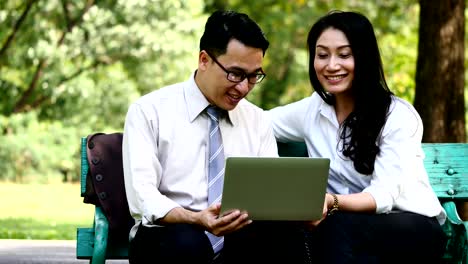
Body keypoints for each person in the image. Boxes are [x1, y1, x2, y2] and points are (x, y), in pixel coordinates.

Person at [122, 10, 307, 264]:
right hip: (168, 236)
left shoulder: (257, 120)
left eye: (254, 76)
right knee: (188, 242)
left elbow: (268, 197)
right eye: (236, 74)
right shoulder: (149, 112)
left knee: (285, 236)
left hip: (239, 239)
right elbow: (143, 197)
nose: (243, 87)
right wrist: (195, 218)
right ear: (204, 60)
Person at [267, 10, 447, 263]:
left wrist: (331, 202)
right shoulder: (312, 109)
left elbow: (382, 196)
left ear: (364, 57)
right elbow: (258, 123)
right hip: (345, 234)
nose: (331, 65)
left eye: (344, 54)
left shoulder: (397, 115)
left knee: (334, 228)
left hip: (412, 226)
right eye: (322, 55)